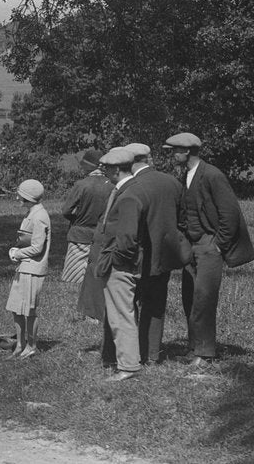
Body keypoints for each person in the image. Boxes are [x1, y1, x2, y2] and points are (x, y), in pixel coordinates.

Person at [165, 132, 254, 365]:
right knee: (189, 298)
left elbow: (231, 214)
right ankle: (194, 348)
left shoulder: (213, 175)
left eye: (175, 150)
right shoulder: (186, 175)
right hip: (191, 246)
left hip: (208, 245)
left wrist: (218, 245)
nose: (172, 154)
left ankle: (205, 353)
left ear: (187, 151)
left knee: (204, 298)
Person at [84, 147, 145, 382]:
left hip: (121, 265)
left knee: (122, 315)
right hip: (118, 262)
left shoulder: (128, 195)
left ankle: (129, 366)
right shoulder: (127, 189)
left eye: (107, 168)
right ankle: (124, 361)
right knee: (119, 313)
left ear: (117, 169)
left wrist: (115, 260)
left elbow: (128, 239)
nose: (104, 171)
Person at [123, 142, 186, 365]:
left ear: (128, 161)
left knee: (128, 304)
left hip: (134, 257)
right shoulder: (171, 182)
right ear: (148, 158)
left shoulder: (130, 184)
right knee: (156, 305)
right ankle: (151, 353)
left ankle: (132, 353)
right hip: (165, 255)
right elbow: (182, 217)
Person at [5, 179, 50, 359]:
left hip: (33, 268)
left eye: (21, 195)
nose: (18, 198)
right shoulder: (32, 213)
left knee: (29, 310)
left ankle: (31, 346)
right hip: (24, 267)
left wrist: (17, 253)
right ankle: (20, 344)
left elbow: (38, 247)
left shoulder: (40, 216)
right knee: (16, 307)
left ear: (29, 197)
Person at [61, 149, 112, 283]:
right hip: (102, 234)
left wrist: (77, 219)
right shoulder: (112, 185)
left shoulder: (81, 184)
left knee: (74, 278)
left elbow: (66, 210)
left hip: (79, 234)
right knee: (97, 275)